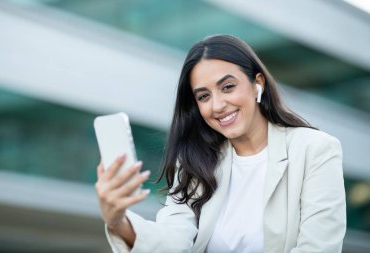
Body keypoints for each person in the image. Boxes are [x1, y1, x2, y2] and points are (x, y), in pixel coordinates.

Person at [95, 34, 346, 253]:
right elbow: (172, 241)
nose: (217, 105)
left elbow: (318, 247)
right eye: (204, 96)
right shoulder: (195, 161)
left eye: (227, 87)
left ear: (257, 84)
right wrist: (119, 222)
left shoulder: (316, 149)